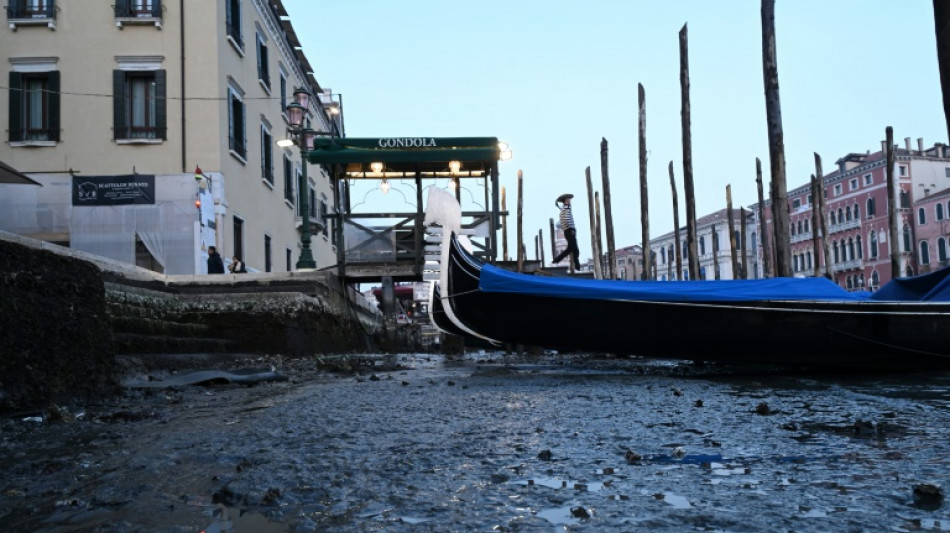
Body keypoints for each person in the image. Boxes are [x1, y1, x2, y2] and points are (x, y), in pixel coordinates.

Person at [553, 193, 581, 270]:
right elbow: (568, 219)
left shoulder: (563, 210)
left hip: (567, 231)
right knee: (573, 249)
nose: (570, 201)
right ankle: (557, 260)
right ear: (566, 201)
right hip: (570, 231)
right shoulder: (566, 209)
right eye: (569, 200)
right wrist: (571, 229)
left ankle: (576, 265)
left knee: (573, 249)